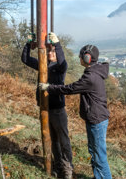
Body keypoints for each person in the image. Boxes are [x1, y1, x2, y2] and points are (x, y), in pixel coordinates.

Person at [39, 44, 112, 179]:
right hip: (95, 118)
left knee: (100, 157)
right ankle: (98, 176)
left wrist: (49, 88)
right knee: (94, 151)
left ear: (87, 58)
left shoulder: (90, 78)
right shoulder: (95, 71)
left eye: (81, 55)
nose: (79, 57)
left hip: (97, 120)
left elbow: (70, 89)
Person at [21, 32, 73, 179]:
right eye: (49, 50)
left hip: (58, 110)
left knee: (63, 140)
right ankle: (57, 167)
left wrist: (57, 44)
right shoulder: (43, 65)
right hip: (45, 109)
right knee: (53, 140)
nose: (51, 53)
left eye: (53, 51)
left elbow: (62, 61)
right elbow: (25, 59)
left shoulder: (60, 66)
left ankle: (68, 168)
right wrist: (27, 45)